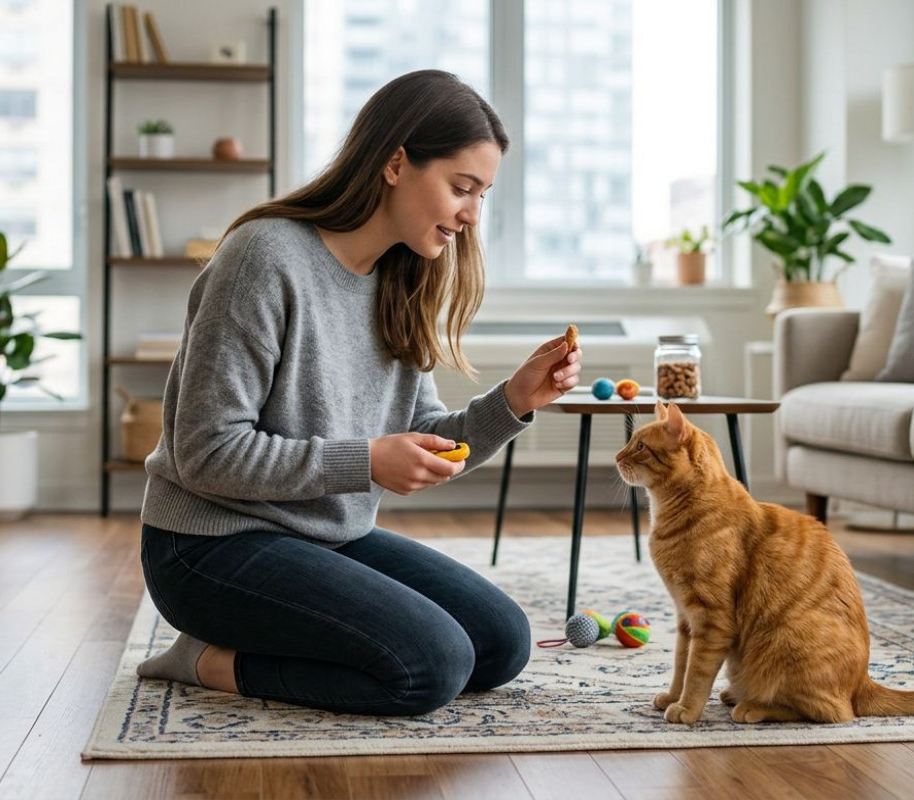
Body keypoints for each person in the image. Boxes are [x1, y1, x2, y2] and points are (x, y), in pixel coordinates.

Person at [134, 69, 582, 716]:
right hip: (207, 548)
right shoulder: (263, 258)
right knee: (431, 666)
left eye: (482, 195)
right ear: (396, 162)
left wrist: (514, 400)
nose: (471, 216)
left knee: (501, 643)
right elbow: (207, 453)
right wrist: (367, 460)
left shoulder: (400, 277)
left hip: (324, 536)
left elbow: (429, 439)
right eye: (462, 188)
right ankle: (205, 659)